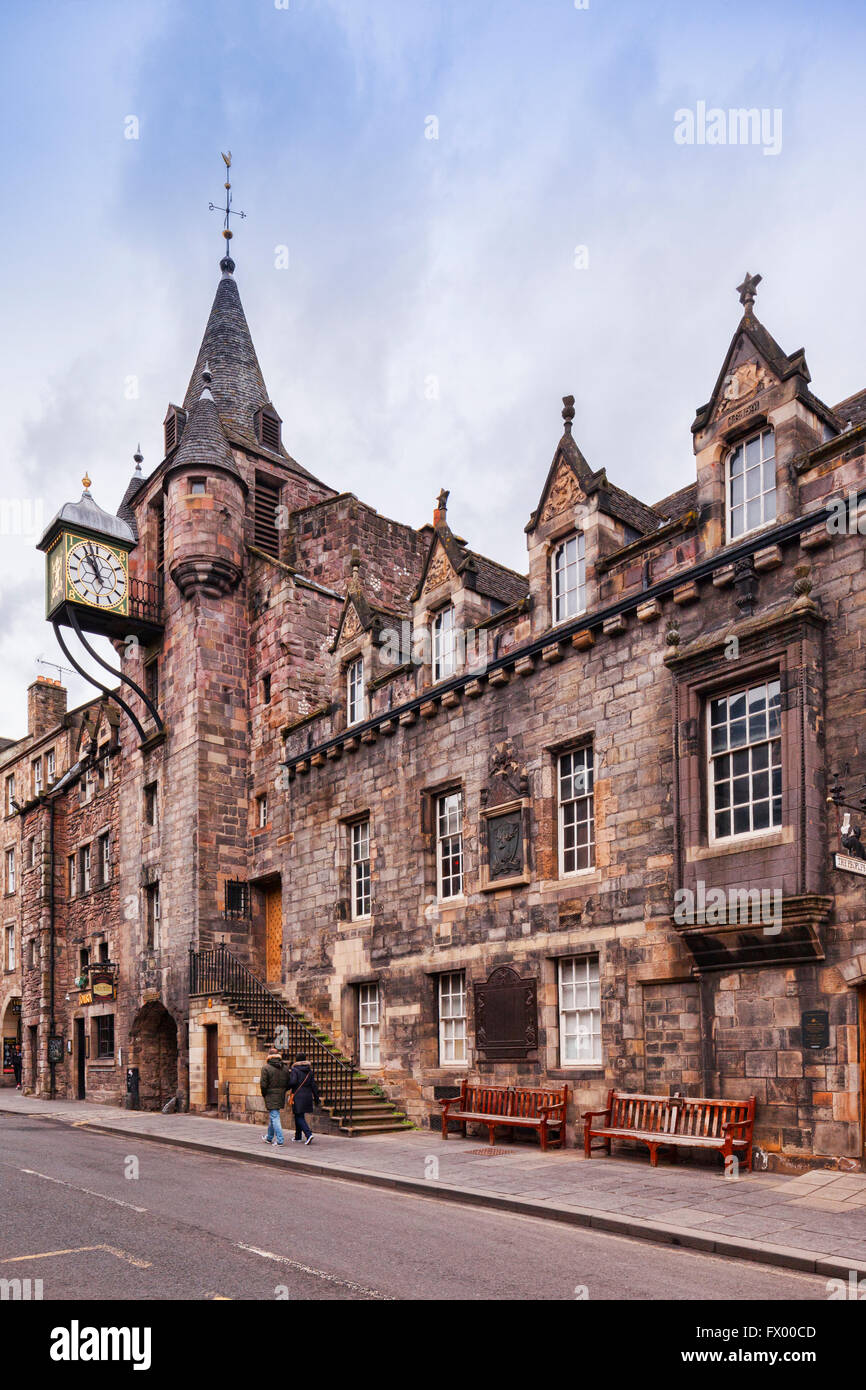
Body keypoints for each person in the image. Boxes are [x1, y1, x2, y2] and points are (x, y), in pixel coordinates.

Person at [259, 1048, 291, 1146]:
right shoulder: (285, 1067)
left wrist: (264, 1093)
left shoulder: (266, 1068)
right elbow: (288, 1083)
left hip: (270, 1094)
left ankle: (280, 1140)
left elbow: (263, 1084)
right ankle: (269, 1138)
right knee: (274, 1115)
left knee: (275, 1116)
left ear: (269, 1056)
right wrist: (282, 1091)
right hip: (281, 1094)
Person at [288, 1053, 320, 1145]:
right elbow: (313, 1086)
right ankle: (298, 1136)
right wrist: (316, 1098)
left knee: (299, 1116)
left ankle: (308, 1134)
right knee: (298, 1115)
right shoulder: (309, 1071)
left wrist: (287, 1086)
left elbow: (293, 1082)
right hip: (307, 1096)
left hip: (298, 1096)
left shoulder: (295, 1070)